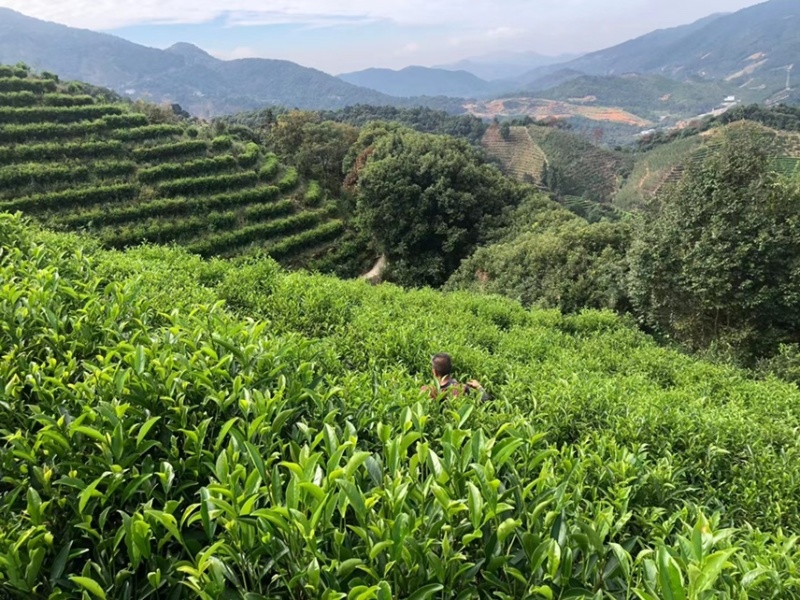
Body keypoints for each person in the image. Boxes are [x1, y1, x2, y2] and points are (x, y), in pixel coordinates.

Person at [422, 352, 490, 401]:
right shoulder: (461, 389)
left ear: (434, 372)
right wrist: (479, 387)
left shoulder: (426, 390)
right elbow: (486, 400)